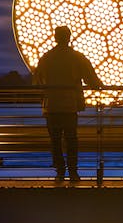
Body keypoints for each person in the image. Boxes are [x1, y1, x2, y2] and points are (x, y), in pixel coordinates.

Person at [33, 26, 103, 182]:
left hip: (51, 105)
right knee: (71, 139)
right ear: (69, 37)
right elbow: (92, 80)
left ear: (55, 37)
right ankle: (73, 172)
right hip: (70, 105)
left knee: (55, 140)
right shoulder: (77, 57)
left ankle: (59, 172)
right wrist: (100, 86)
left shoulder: (46, 58)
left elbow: (37, 81)